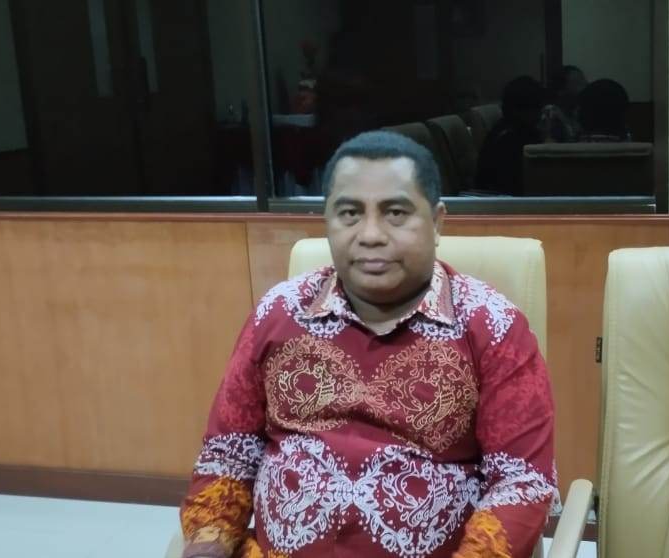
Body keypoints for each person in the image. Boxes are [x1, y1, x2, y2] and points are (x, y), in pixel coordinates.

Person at [180, 131, 557, 558]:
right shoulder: (279, 312)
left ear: (437, 223)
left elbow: (521, 483)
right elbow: (228, 453)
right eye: (349, 213)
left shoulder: (492, 327)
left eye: (395, 213)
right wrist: (208, 540)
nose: (371, 235)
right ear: (327, 220)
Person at [475, 76, 544, 195]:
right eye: (538, 108)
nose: (541, 114)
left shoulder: (510, 128)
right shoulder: (511, 139)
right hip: (502, 201)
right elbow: (523, 184)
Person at [539, 66, 587, 143]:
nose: (585, 87)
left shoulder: (578, 111)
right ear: (561, 90)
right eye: (578, 83)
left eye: (584, 82)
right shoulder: (550, 112)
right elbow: (549, 144)